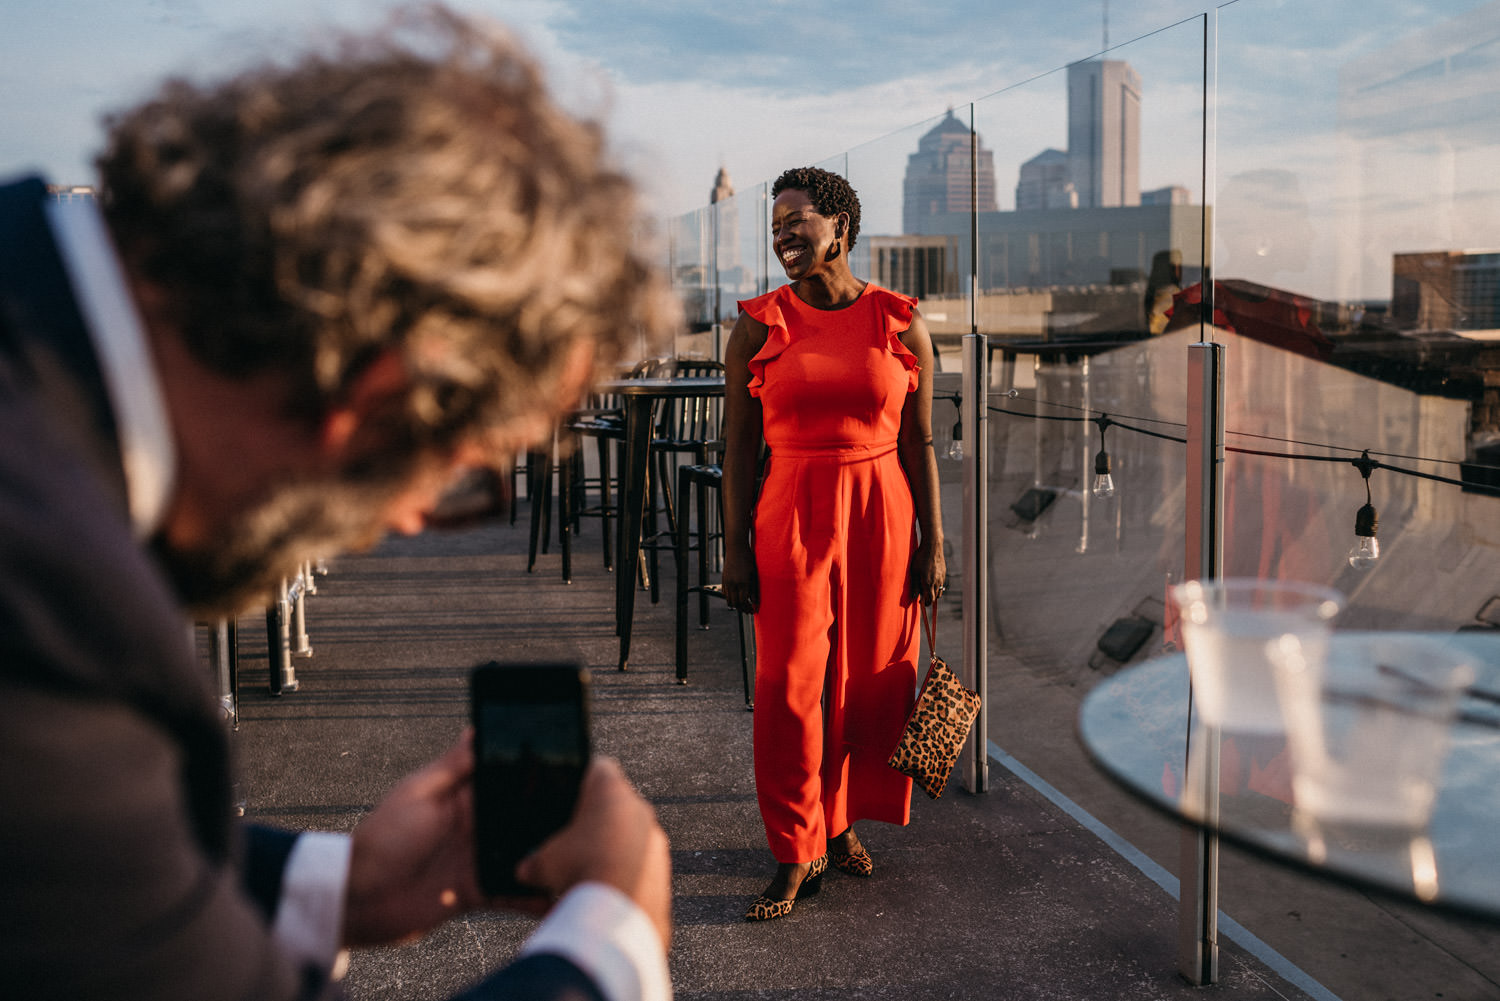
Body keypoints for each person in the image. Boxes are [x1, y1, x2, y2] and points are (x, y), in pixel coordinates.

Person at [0, 8, 678, 1000]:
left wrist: (334, 887)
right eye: (458, 475)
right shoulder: (49, 606)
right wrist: (611, 939)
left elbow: (45, 874)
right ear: (380, 387)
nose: (403, 522)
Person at [719, 166, 945, 921]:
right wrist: (733, 549)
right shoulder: (760, 322)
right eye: (775, 225)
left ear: (840, 227)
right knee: (788, 685)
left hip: (883, 510)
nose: (783, 235)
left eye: (797, 221)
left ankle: (838, 820)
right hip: (790, 510)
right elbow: (737, 451)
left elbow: (920, 443)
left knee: (867, 680)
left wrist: (935, 542)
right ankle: (794, 846)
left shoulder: (898, 319)